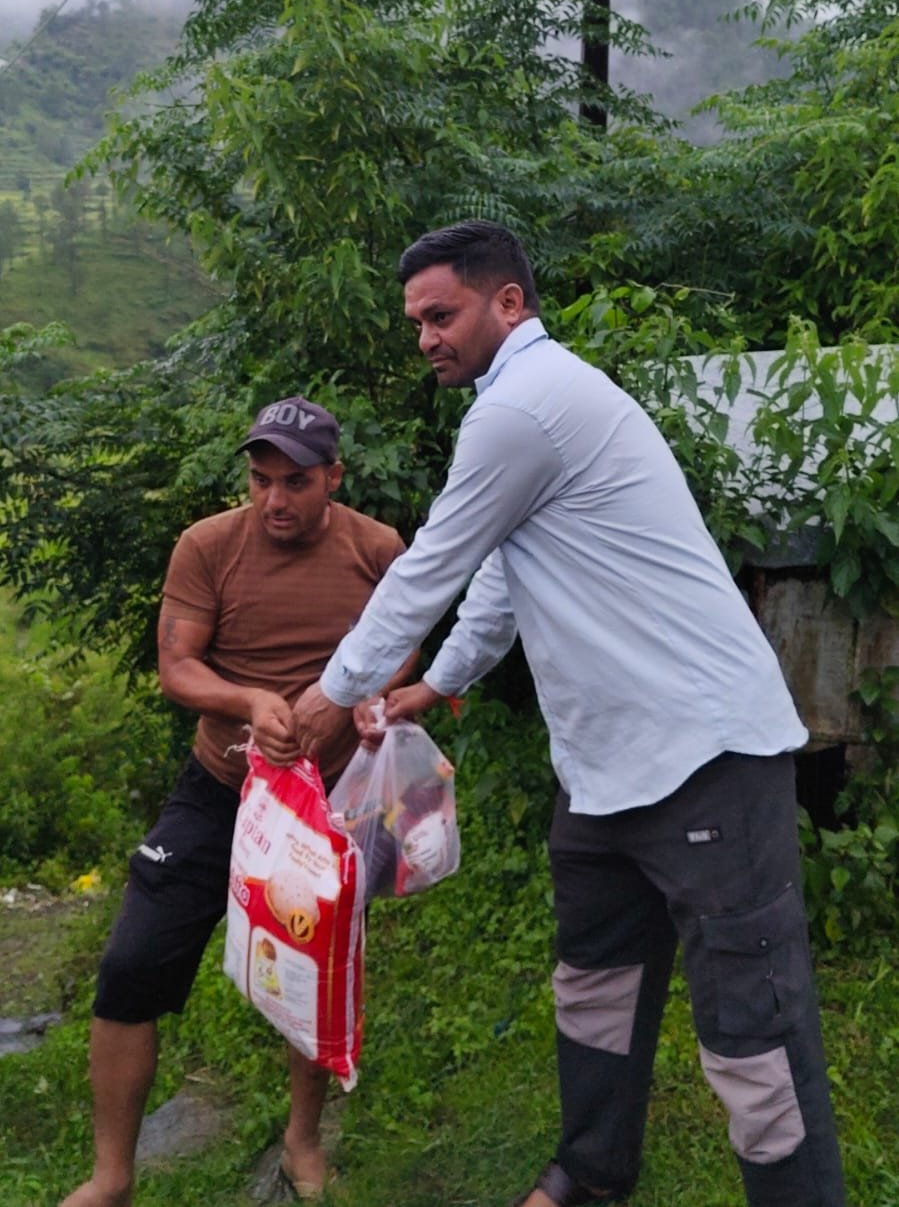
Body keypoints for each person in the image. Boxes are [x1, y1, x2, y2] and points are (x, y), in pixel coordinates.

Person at [293, 221, 846, 1207]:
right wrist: (435, 683)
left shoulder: (526, 405)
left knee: (752, 1034)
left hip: (703, 752)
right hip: (600, 772)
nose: (425, 338)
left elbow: (427, 571)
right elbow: (501, 578)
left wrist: (328, 698)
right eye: (415, 321)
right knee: (595, 988)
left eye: (440, 314)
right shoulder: (520, 409)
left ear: (508, 302)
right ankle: (588, 1177)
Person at [61, 395, 414, 1207]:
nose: (273, 499)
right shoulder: (208, 544)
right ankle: (111, 1175)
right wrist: (251, 700)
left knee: (309, 974)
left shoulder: (376, 548)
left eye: (295, 482)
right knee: (129, 964)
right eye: (260, 480)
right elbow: (178, 664)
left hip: (321, 803)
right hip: (220, 786)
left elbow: (401, 646)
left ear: (334, 476)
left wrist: (360, 700)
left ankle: (302, 1139)